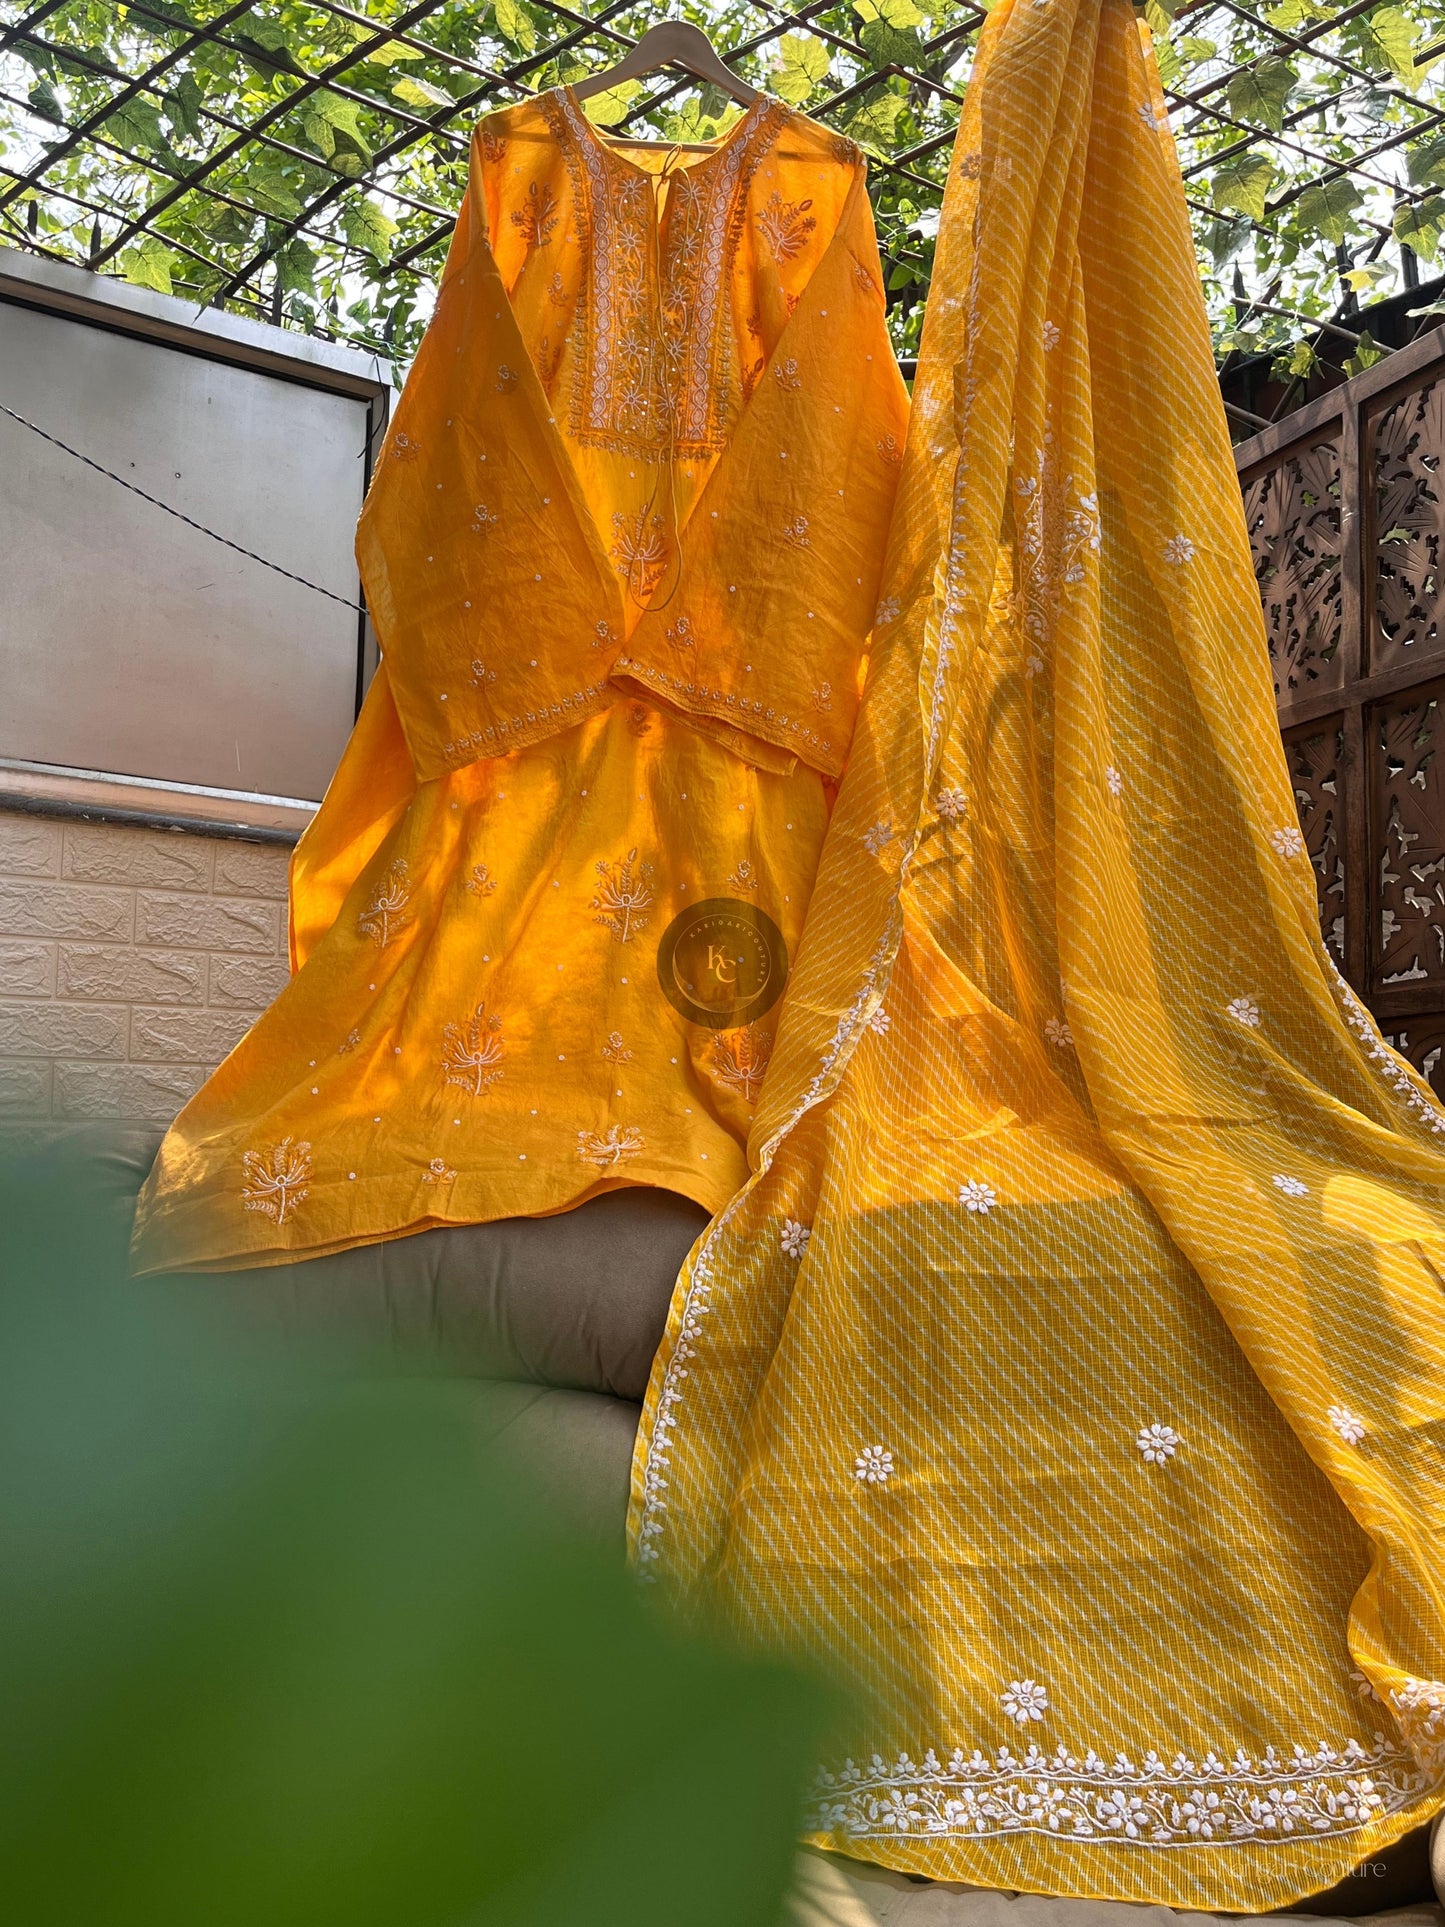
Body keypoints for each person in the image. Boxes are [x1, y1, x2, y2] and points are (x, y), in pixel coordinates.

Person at [628, 0, 1445, 1910]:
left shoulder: (840, 199)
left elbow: (851, 498)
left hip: (803, 752)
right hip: (627, 776)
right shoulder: (534, 197)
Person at [132, 84, 907, 1273]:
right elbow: (458, 409)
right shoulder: (519, 168)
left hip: (738, 676)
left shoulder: (815, 184)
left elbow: (846, 433)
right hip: (540, 664)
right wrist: (555, 630)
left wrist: (720, 632)